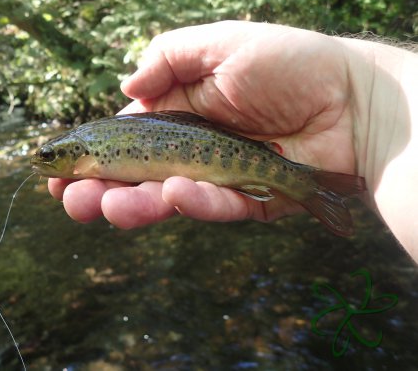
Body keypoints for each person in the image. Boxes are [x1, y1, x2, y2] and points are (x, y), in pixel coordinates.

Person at [47, 21, 418, 262]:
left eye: (49, 157)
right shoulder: (90, 141)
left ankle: (306, 184)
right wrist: (363, 98)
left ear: (76, 156)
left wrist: (358, 92)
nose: (45, 161)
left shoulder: (92, 145)